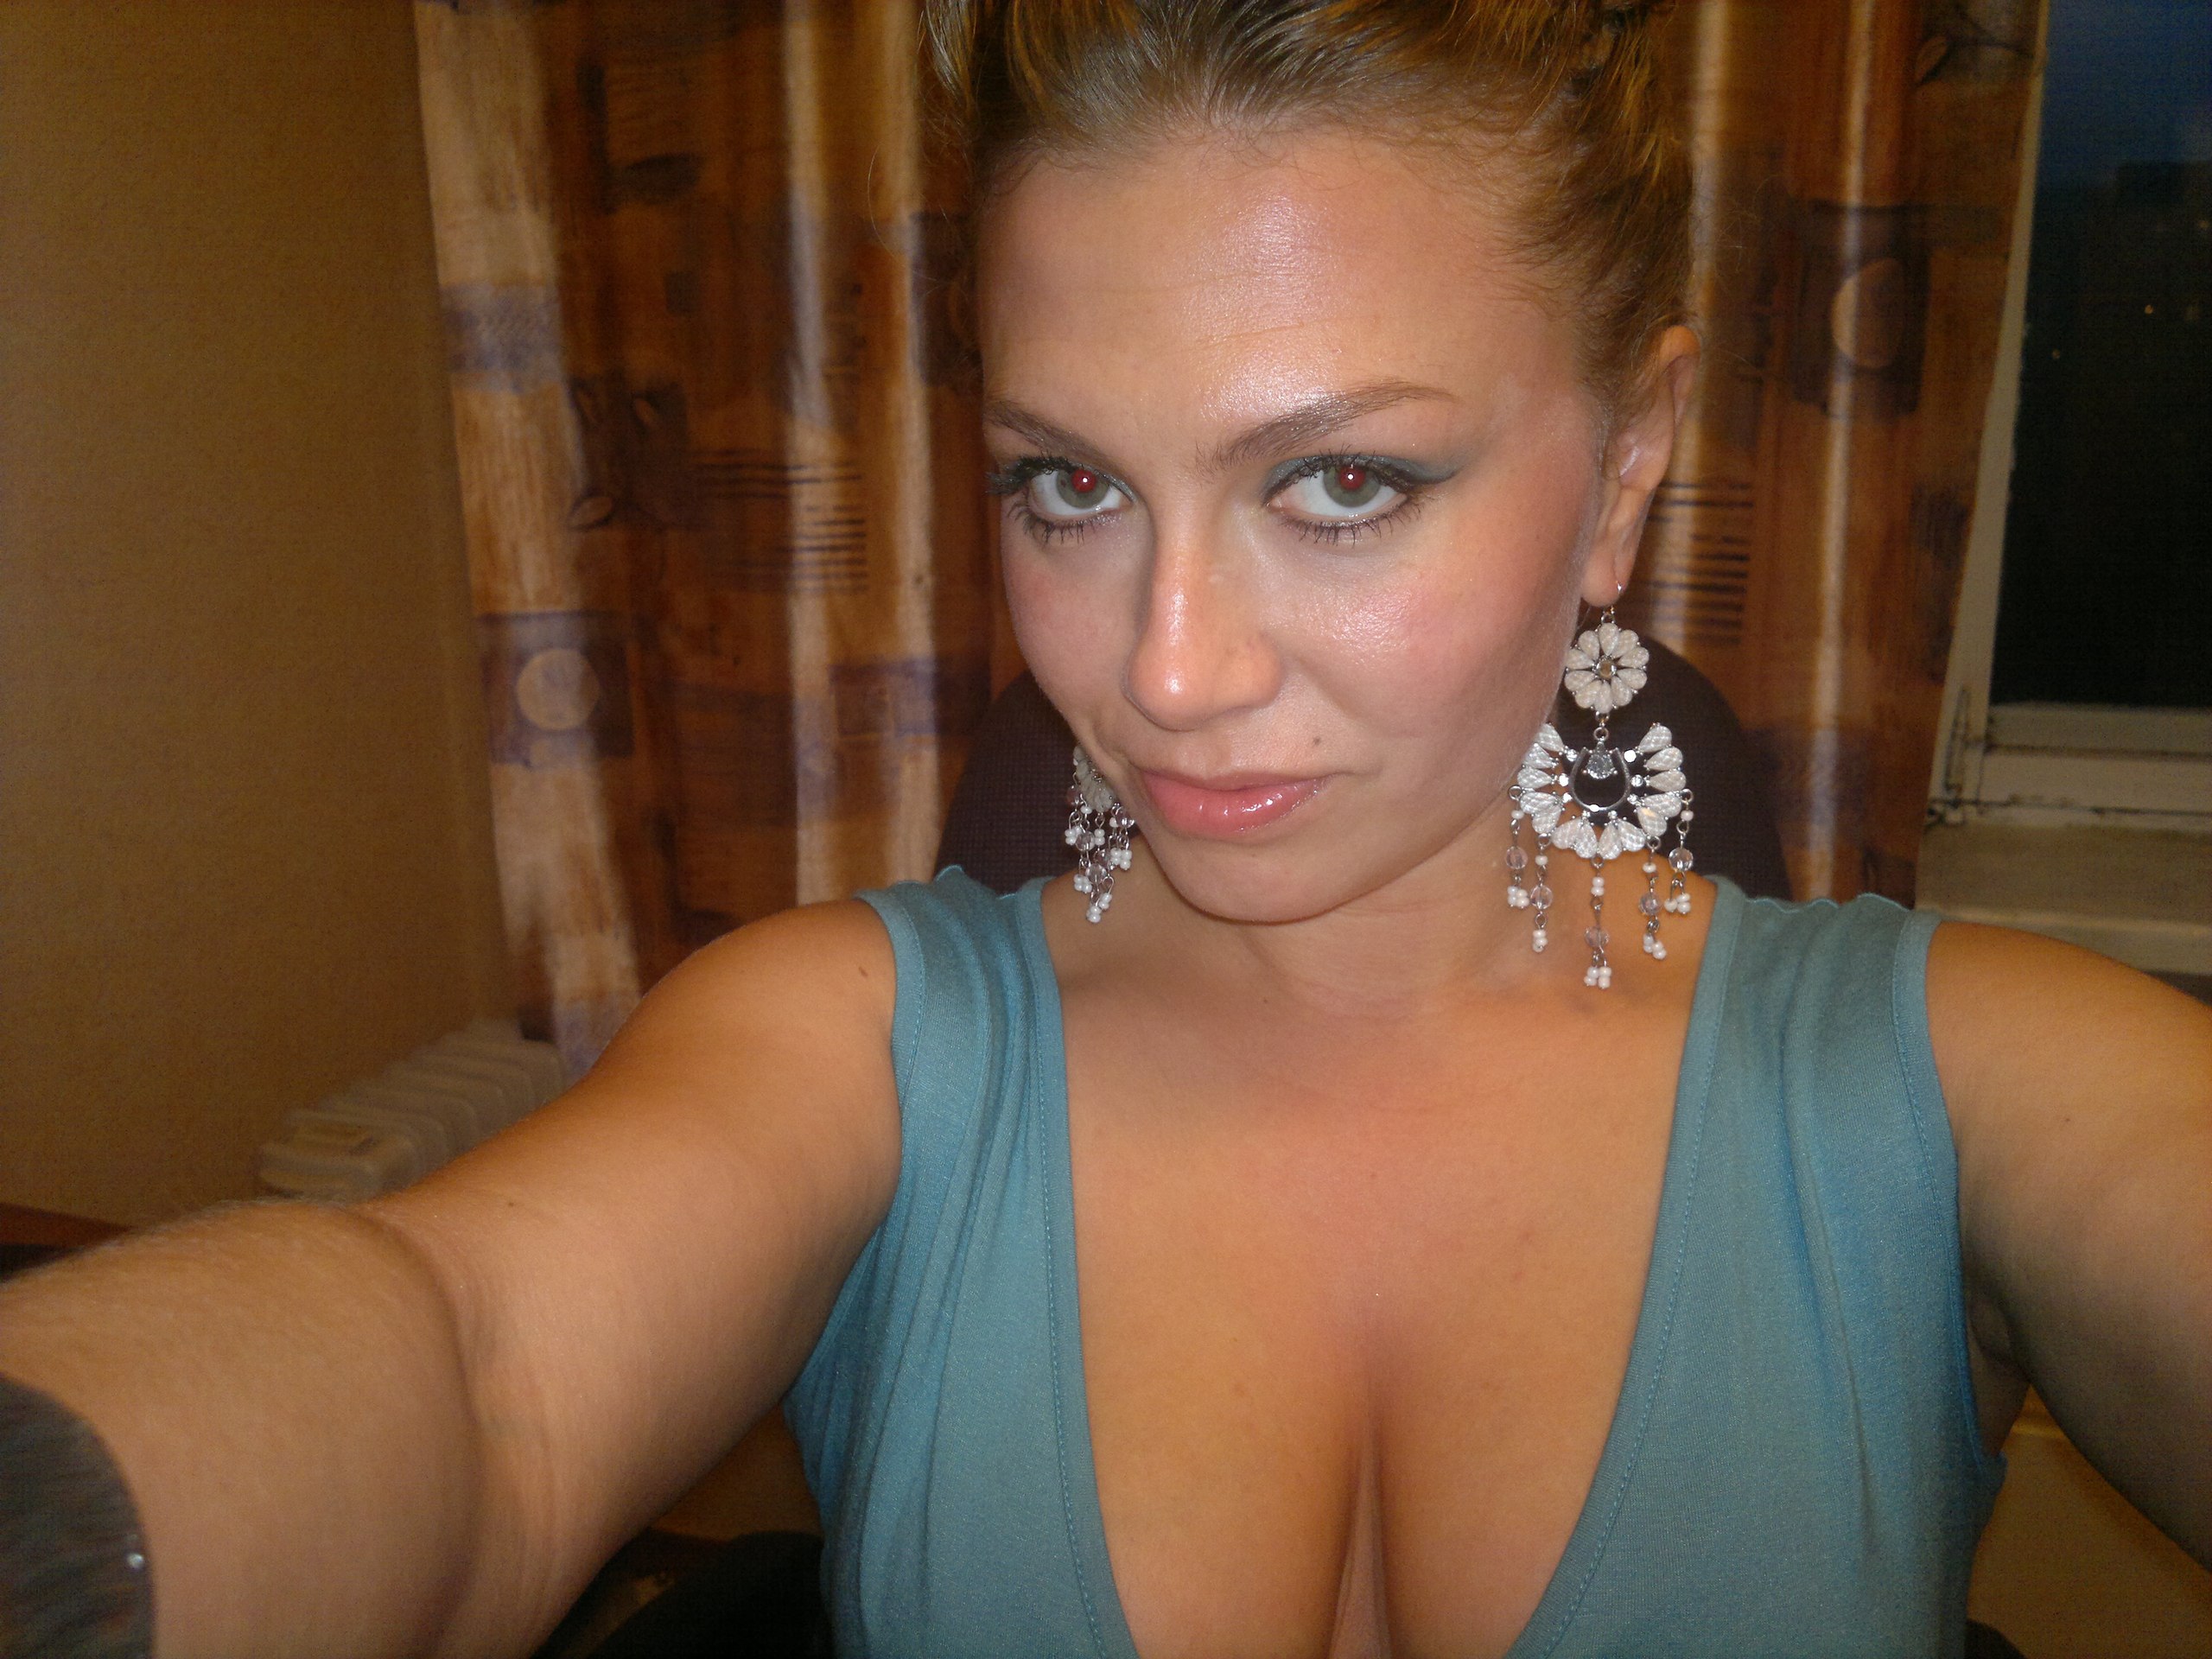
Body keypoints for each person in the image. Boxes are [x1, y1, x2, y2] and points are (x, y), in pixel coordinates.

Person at [3, 3, 2207, 1655]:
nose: (1163, 668)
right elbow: (471, 1370)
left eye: (1337, 482)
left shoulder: (1964, 1084)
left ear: (1626, 465)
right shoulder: (853, 1045)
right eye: (1067, 483)